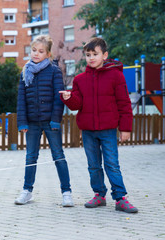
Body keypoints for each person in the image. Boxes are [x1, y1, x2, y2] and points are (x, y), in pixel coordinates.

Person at [59, 37, 138, 213]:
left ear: (105, 55)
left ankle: (120, 198)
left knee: (112, 164)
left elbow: (124, 103)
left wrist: (125, 128)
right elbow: (77, 105)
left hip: (108, 130)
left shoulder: (116, 76)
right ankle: (99, 195)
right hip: (88, 131)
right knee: (93, 165)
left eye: (95, 54)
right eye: (88, 54)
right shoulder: (80, 79)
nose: (91, 57)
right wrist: (69, 98)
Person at [15, 35, 74, 207]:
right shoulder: (25, 71)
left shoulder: (55, 70)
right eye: (34, 50)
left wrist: (56, 120)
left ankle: (66, 192)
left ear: (48, 54)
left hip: (50, 122)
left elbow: (59, 98)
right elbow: (21, 99)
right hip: (32, 123)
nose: (36, 54)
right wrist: (22, 122)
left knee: (58, 156)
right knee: (30, 157)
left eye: (41, 51)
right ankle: (27, 191)